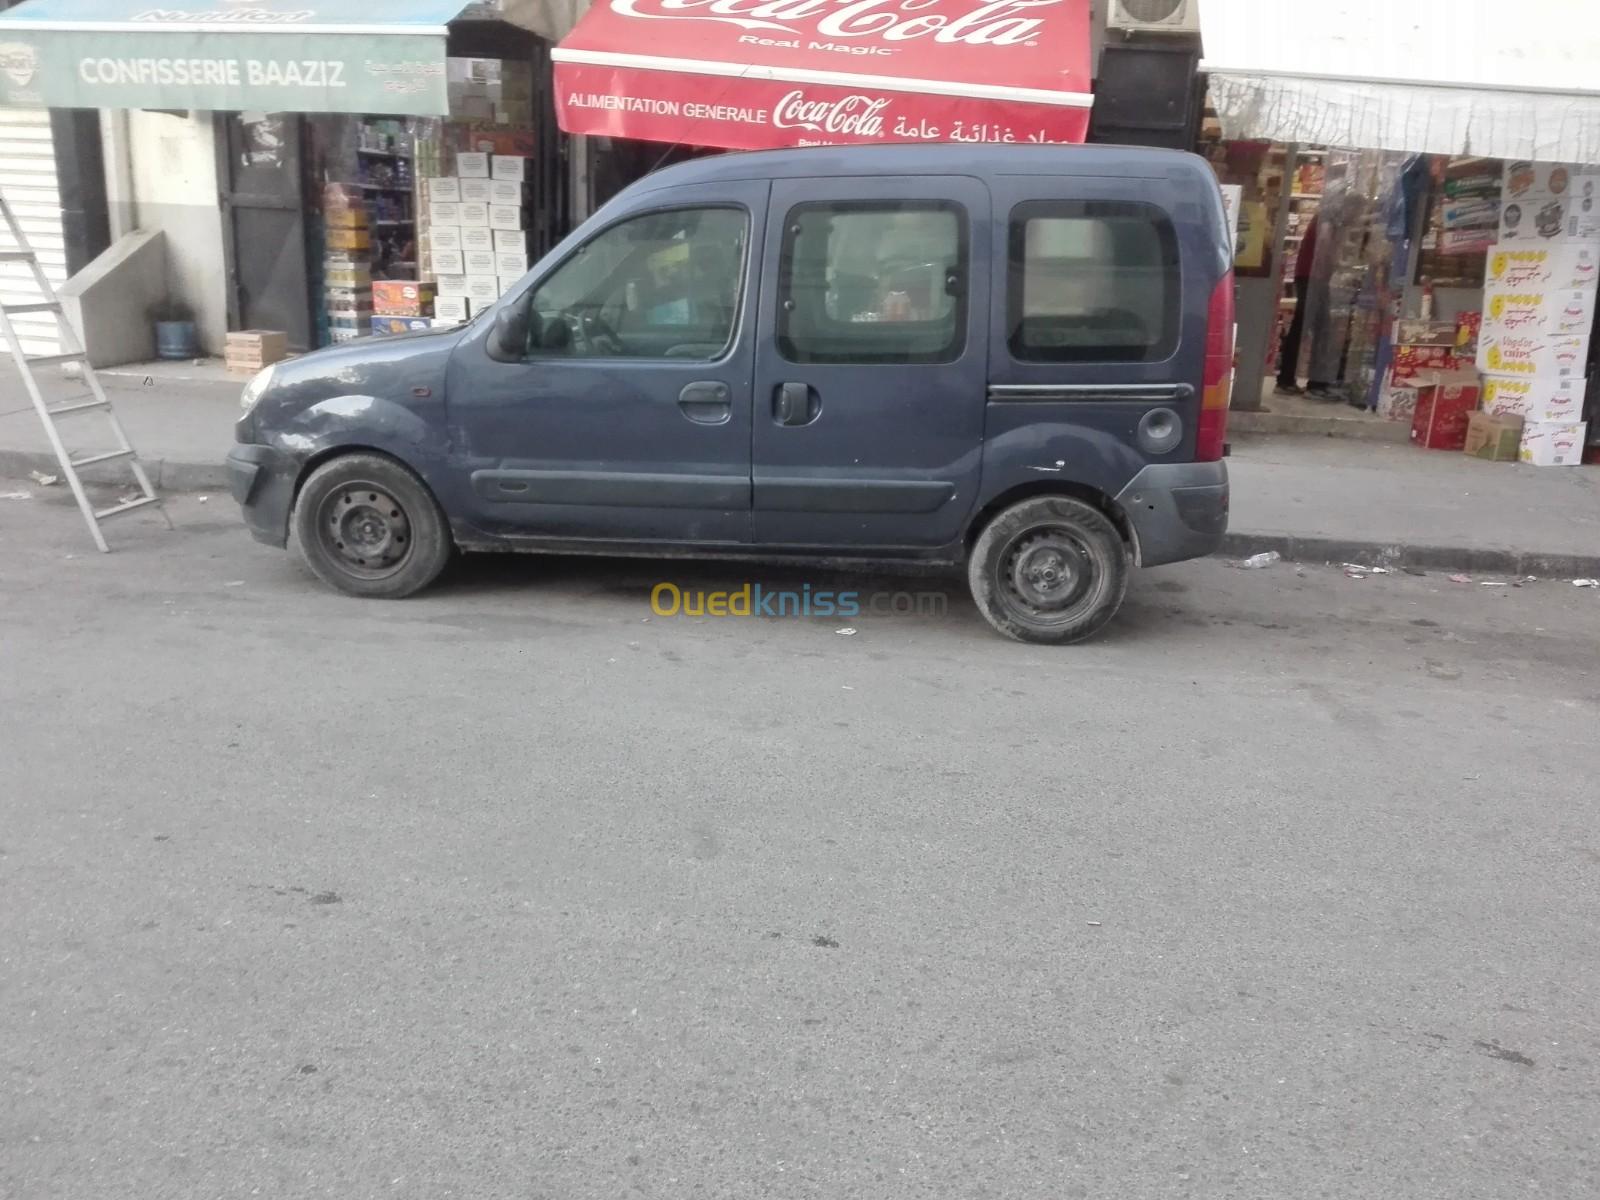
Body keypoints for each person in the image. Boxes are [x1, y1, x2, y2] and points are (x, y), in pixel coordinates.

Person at [1275, 213, 1331, 397]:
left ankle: (1286, 379)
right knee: (1318, 327)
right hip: (1314, 276)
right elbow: (1324, 243)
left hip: (1308, 275)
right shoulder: (1328, 219)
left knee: (1302, 326)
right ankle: (1314, 383)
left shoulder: (1323, 216)